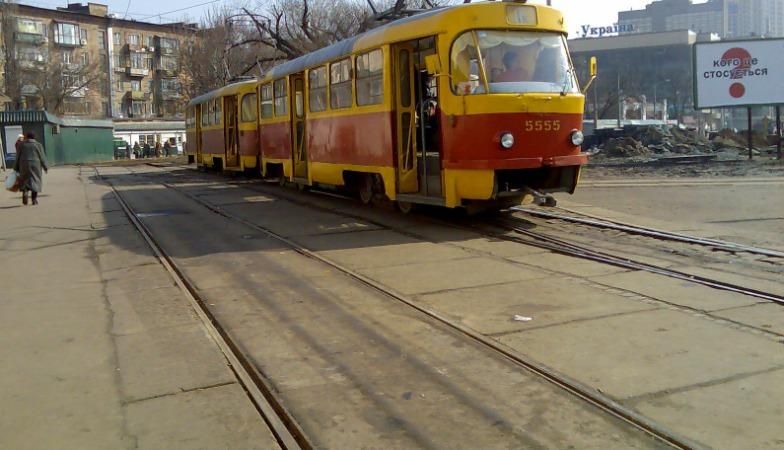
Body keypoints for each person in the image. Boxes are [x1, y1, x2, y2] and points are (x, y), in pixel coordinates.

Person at [13, 132, 48, 206]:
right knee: (35, 181)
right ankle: (34, 200)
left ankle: (25, 192)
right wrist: (45, 167)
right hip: (36, 165)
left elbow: (17, 156)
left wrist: (15, 167)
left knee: (24, 180)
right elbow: (42, 157)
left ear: (26, 137)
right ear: (34, 137)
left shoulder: (21, 145)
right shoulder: (38, 145)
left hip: (23, 164)